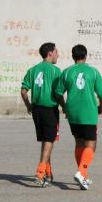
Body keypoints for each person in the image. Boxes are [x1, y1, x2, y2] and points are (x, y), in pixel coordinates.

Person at [55, 44, 102, 190]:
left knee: (79, 142)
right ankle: (81, 171)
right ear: (85, 56)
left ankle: (83, 176)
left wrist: (64, 106)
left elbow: (58, 93)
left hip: (73, 112)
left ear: (73, 56)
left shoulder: (66, 72)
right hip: (89, 112)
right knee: (91, 144)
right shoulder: (93, 72)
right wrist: (101, 107)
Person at [20, 42, 62, 187]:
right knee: (49, 141)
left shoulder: (32, 70)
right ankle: (39, 174)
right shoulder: (56, 71)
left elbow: (23, 91)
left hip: (36, 110)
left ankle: (48, 174)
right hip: (49, 109)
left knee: (46, 142)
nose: (58, 55)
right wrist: (65, 106)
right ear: (50, 53)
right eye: (56, 52)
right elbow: (58, 93)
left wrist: (28, 106)